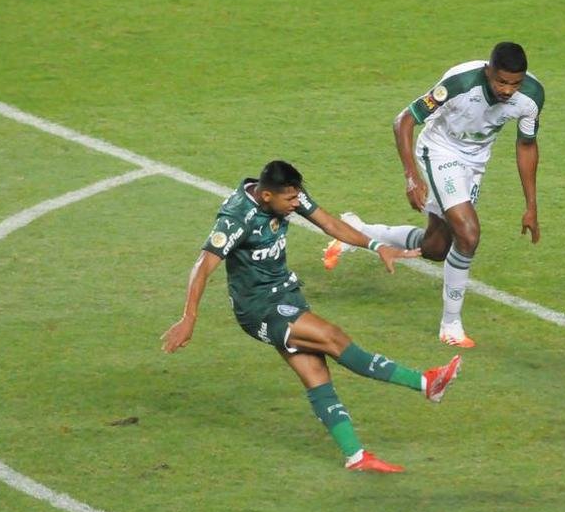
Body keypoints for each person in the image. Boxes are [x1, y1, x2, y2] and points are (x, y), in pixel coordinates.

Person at [162, 159, 462, 473]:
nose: (296, 203)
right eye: (290, 200)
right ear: (267, 197)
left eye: (297, 197)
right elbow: (203, 266)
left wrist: (376, 245)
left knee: (316, 374)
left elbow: (330, 224)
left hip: (286, 294)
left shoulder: (286, 196)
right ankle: (426, 383)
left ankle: (356, 456)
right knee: (333, 338)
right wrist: (189, 318)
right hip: (259, 308)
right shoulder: (237, 218)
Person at [322, 41, 544, 349]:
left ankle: (355, 230)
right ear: (488, 71)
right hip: (440, 151)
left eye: (514, 84)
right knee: (468, 234)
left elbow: (526, 146)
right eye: (501, 82)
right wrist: (411, 176)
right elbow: (404, 120)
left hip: (475, 162)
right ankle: (450, 324)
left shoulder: (531, 98)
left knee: (437, 247)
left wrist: (531, 206)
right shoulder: (459, 84)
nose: (507, 90)